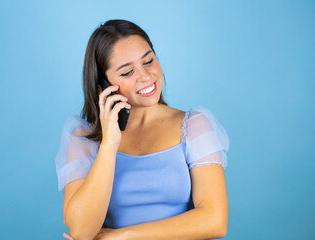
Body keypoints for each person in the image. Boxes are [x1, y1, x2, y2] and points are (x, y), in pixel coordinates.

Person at [55, 19, 229, 240]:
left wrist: (123, 236)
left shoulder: (195, 126)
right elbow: (81, 231)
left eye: (148, 61)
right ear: (104, 87)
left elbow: (215, 221)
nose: (145, 76)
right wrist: (109, 143)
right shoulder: (84, 137)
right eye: (127, 72)